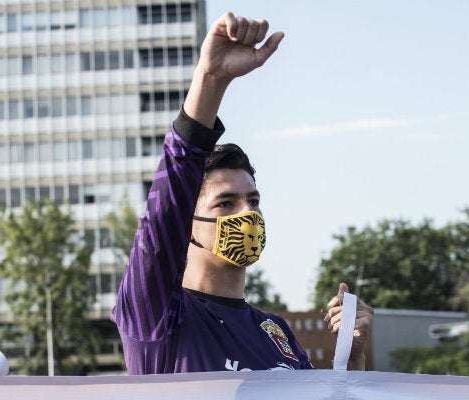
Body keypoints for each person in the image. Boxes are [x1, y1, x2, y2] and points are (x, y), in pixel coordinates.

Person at [112, 12, 373, 374]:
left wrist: (353, 354)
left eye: (253, 201)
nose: (246, 214)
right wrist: (211, 79)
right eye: (225, 203)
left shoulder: (276, 331)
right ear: (188, 222)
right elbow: (167, 205)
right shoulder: (157, 316)